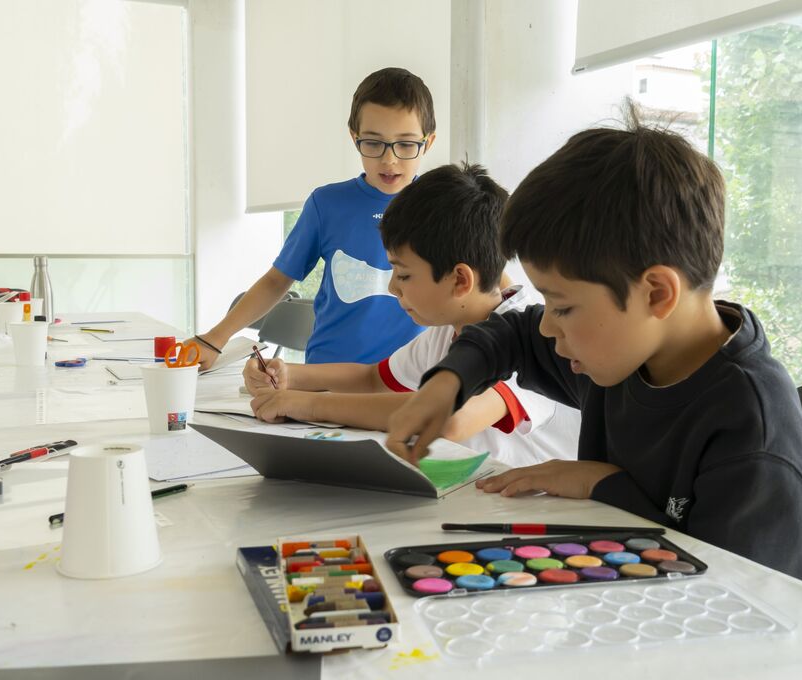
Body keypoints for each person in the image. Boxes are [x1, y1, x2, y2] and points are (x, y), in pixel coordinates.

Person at [383, 109, 802, 585]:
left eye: (562, 307)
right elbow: (512, 333)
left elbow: (734, 594)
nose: (547, 328)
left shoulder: (753, 439)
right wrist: (449, 382)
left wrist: (602, 484)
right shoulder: (625, 350)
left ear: (656, 293)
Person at [243, 162, 580, 468]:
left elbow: (451, 420)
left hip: (542, 508)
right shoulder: (450, 330)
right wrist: (289, 375)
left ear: (459, 281)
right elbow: (373, 379)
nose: (393, 287)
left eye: (403, 274)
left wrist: (305, 405)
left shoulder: (528, 338)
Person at [189, 67, 436, 368]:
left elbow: (476, 292)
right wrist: (214, 339)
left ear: (428, 142)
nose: (389, 159)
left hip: (411, 379)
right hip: (325, 376)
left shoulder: (442, 208)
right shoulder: (327, 204)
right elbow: (276, 281)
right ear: (354, 137)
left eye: (406, 144)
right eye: (373, 143)